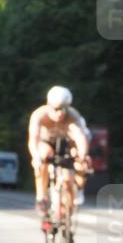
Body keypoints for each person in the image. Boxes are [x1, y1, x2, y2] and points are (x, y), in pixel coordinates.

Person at [27, 86, 90, 222]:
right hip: (46, 142)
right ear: (49, 106)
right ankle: (41, 196)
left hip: (66, 143)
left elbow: (80, 137)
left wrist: (82, 156)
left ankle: (73, 201)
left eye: (64, 109)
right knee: (42, 155)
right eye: (56, 109)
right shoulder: (39, 115)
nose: (60, 113)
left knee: (72, 173)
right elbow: (33, 139)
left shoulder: (73, 115)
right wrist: (35, 156)